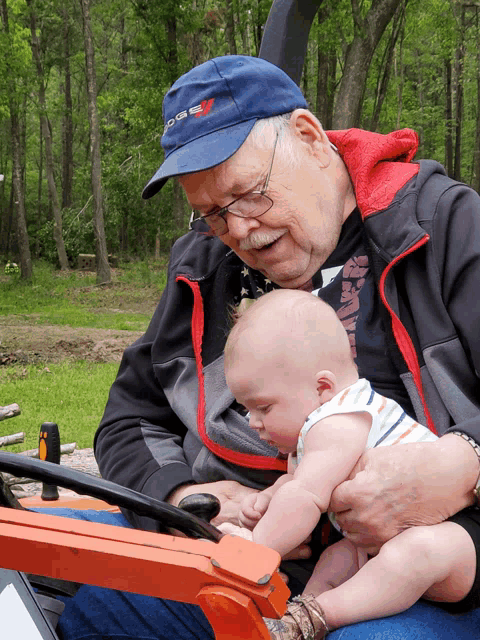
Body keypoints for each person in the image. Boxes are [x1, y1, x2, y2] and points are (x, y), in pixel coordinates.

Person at [55, 55, 480, 640]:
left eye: (248, 194)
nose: (241, 232)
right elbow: (128, 422)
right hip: (252, 559)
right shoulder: (202, 268)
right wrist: (186, 495)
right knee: (94, 608)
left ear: (307, 136)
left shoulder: (447, 228)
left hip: (422, 565)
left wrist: (467, 464)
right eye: (212, 214)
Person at [222, 288, 479, 639]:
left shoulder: (338, 422)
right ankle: (300, 612)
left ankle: (315, 617)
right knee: (338, 560)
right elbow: (299, 484)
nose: (253, 422)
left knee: (411, 555)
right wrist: (270, 497)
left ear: (322, 387)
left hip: (455, 537)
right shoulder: (317, 423)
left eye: (263, 408)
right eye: (246, 409)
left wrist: (255, 550)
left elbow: (308, 495)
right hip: (382, 541)